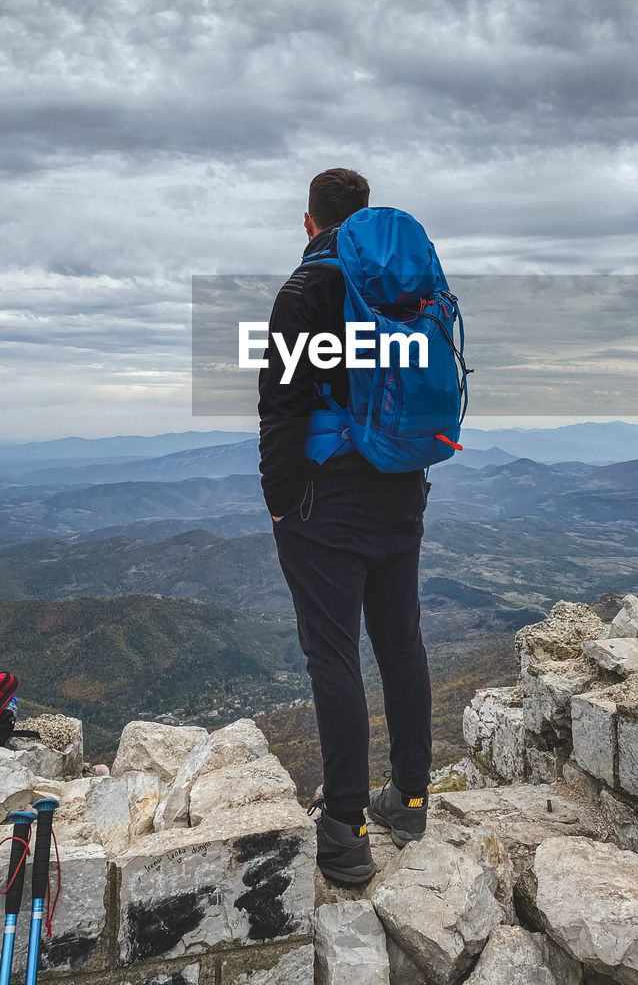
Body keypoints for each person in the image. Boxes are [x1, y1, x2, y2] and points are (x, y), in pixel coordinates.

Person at [257, 167, 433, 884]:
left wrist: (278, 497)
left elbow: (282, 405)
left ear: (309, 223)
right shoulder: (405, 286)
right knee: (401, 644)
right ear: (363, 216)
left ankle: (344, 831)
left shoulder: (306, 289)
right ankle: (412, 799)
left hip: (326, 501)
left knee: (334, 658)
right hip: (402, 485)